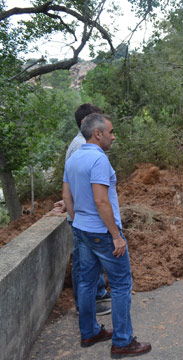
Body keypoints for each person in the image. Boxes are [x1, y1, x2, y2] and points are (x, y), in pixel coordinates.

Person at [63, 113, 151, 358]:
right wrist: (116, 235)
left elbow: (67, 197)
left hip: (82, 229)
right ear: (97, 134)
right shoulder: (99, 160)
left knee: (87, 282)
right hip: (102, 232)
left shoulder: (73, 159)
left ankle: (89, 332)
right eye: (111, 132)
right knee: (122, 284)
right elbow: (101, 201)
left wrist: (79, 221)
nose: (114, 137)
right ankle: (122, 341)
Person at [55, 103, 112, 316]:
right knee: (83, 263)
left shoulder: (81, 145)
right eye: (97, 119)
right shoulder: (83, 148)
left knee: (89, 261)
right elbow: (95, 195)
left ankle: (97, 295)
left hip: (81, 216)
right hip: (85, 217)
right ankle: (89, 304)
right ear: (85, 124)